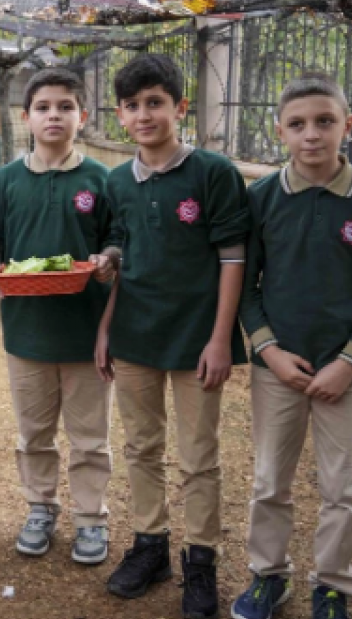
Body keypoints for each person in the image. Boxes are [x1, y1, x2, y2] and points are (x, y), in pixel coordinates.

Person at [229, 74, 352, 619]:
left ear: (347, 126)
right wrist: (270, 353)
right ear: (279, 130)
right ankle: (267, 576)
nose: (312, 135)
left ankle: (331, 586)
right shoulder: (260, 197)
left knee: (343, 490)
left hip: (348, 374)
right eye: (299, 124)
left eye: (325, 121)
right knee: (268, 482)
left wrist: (350, 361)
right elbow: (245, 286)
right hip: (277, 368)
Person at [94, 53, 250, 619]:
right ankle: (150, 544)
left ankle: (201, 560)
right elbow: (120, 246)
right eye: (132, 106)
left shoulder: (213, 174)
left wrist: (220, 340)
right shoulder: (116, 180)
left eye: (155, 102)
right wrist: (106, 325)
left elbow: (233, 259)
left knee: (199, 455)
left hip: (195, 341)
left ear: (180, 107)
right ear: (119, 114)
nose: (144, 114)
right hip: (134, 335)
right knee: (141, 446)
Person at [0, 68, 115, 565]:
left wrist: (106, 260)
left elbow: (115, 238)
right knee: (33, 433)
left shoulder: (101, 178)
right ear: (26, 117)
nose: (54, 115)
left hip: (85, 332)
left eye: (65, 106)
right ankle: (40, 507)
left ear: (83, 116)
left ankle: (91, 519)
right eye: (43, 107)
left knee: (90, 437)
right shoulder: (9, 180)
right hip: (27, 332)